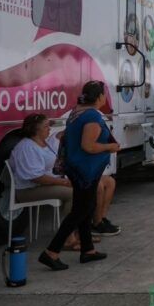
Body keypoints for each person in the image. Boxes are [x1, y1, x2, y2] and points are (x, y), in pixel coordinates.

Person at [39, 81, 117, 271]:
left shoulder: (76, 112)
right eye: (104, 94)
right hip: (85, 171)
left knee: (85, 207)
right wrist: (110, 147)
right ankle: (51, 251)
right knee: (81, 210)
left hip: (77, 169)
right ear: (99, 97)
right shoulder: (91, 115)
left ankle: (87, 250)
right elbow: (88, 146)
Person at [9, 114, 78, 249]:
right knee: (73, 194)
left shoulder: (43, 143)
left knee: (82, 189)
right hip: (28, 190)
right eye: (46, 126)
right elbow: (37, 177)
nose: (49, 129)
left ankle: (77, 232)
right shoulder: (27, 147)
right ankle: (68, 238)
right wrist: (62, 183)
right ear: (35, 130)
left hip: (42, 185)